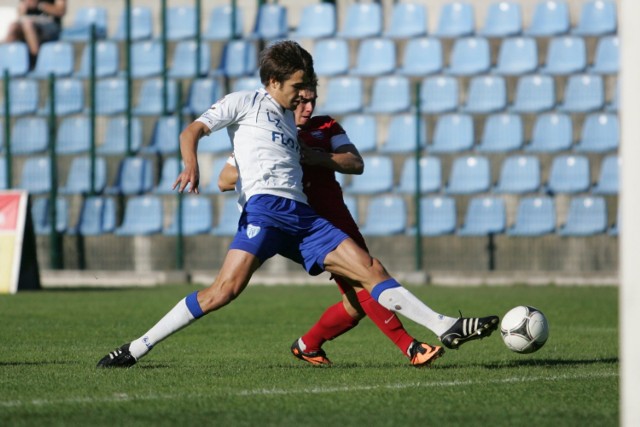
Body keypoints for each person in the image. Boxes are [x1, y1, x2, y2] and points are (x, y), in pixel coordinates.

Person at [97, 40, 498, 369]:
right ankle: (136, 348)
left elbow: (348, 161)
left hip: (304, 216)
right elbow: (194, 130)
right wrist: (191, 164)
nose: (302, 96)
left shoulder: (292, 121)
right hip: (265, 212)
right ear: (273, 82)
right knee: (223, 292)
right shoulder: (244, 103)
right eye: (296, 87)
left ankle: (443, 325)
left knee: (370, 269)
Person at [217, 87, 441, 367]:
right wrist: (274, 163)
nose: (308, 108)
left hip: (339, 218)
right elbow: (224, 180)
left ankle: (308, 345)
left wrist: (316, 158)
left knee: (357, 302)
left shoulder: (327, 125)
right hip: (308, 225)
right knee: (364, 285)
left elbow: (355, 162)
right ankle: (412, 348)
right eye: (301, 102)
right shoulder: (266, 129)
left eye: (312, 101)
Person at [4, 0, 67, 69]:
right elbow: (20, 14)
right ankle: (6, 62)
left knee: (28, 25)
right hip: (28, 21)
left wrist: (40, 5)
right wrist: (25, 7)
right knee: (13, 27)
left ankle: (36, 62)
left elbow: (61, 11)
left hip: (50, 23)